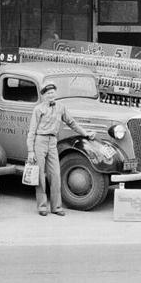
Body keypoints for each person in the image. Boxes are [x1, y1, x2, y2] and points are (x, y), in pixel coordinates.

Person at [26, 82, 97, 216]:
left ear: (56, 94)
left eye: (52, 93)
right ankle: (42, 207)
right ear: (44, 96)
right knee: (40, 175)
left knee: (55, 175)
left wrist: (85, 133)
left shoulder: (61, 107)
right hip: (39, 141)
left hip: (53, 141)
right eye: (48, 93)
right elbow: (31, 131)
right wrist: (30, 151)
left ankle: (56, 207)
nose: (51, 95)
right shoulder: (38, 109)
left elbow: (71, 123)